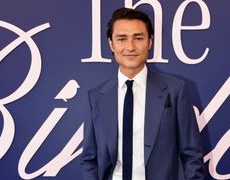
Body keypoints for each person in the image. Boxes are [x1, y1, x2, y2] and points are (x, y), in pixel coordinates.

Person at [81, 7, 205, 180]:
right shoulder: (96, 96)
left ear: (150, 42)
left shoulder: (175, 90)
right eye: (122, 39)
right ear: (111, 44)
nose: (130, 47)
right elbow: (89, 159)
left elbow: (192, 155)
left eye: (138, 38)